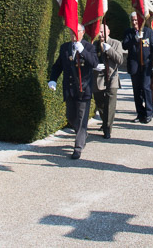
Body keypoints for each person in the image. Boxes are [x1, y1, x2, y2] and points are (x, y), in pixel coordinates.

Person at [48, 24, 98, 159]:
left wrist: (83, 52)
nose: (73, 35)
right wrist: (53, 79)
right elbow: (58, 66)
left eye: (76, 32)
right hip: (70, 89)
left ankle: (78, 147)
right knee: (70, 116)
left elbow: (94, 63)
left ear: (83, 33)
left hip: (84, 88)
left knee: (82, 120)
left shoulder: (89, 47)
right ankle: (82, 134)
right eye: (71, 33)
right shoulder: (65, 48)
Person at [122, 12, 153, 123]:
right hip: (134, 66)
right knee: (136, 91)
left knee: (146, 87)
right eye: (132, 20)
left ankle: (149, 112)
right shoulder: (128, 32)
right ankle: (140, 113)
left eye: (136, 20)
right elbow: (124, 45)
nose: (134, 22)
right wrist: (135, 39)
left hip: (146, 65)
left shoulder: (148, 31)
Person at [92, 23, 125, 139]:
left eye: (103, 32)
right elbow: (91, 59)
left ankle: (107, 128)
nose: (101, 34)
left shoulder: (116, 43)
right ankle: (104, 120)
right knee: (100, 103)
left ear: (108, 32)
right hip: (98, 78)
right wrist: (94, 66)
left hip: (112, 77)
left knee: (110, 104)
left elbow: (120, 60)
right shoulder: (94, 45)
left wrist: (109, 50)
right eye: (99, 32)